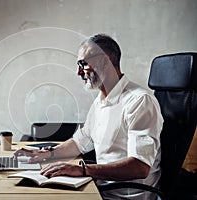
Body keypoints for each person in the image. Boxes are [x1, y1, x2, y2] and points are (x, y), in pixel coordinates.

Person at [14, 34, 163, 200]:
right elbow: (81, 141)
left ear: (105, 61)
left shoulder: (139, 101)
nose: (78, 72)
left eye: (83, 64)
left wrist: (83, 170)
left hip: (125, 196)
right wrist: (45, 154)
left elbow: (140, 167)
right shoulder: (101, 101)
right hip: (101, 188)